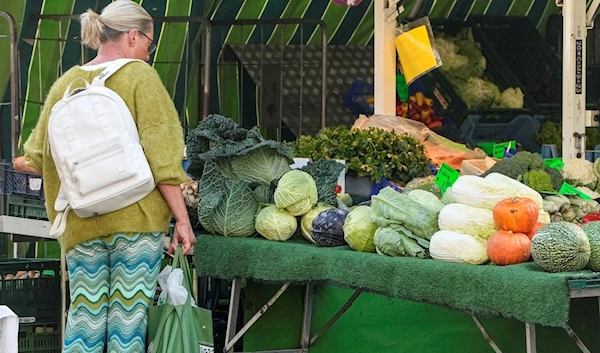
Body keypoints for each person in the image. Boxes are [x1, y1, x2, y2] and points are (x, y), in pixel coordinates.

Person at [13, 1, 196, 352]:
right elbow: (164, 161)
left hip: (81, 224)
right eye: (149, 42)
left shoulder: (66, 83)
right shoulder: (141, 77)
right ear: (132, 36)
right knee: (128, 322)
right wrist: (182, 220)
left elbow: (34, 159)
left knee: (85, 319)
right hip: (137, 222)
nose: (147, 52)